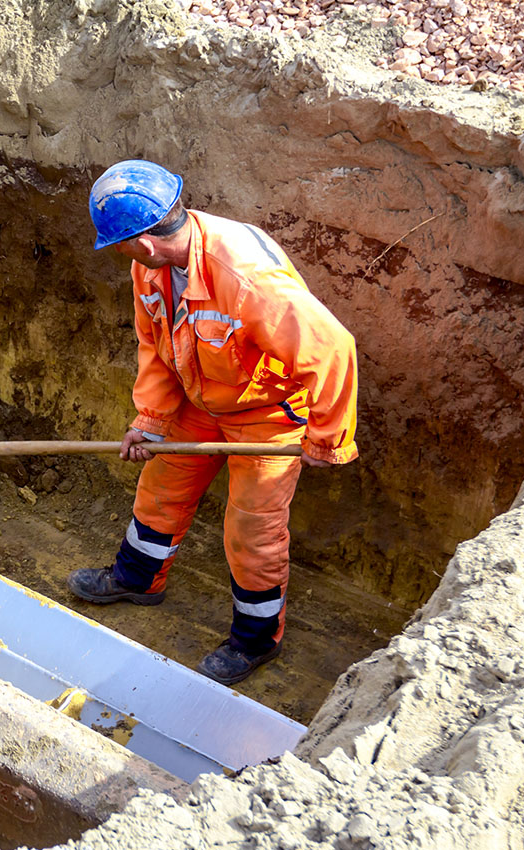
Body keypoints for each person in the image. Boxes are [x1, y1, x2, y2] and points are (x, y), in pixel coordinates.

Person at [67, 160, 359, 686]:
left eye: (119, 245)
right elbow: (155, 344)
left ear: (144, 241)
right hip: (199, 399)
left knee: (252, 531)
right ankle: (138, 578)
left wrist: (328, 439)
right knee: (161, 488)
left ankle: (255, 639)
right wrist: (152, 419)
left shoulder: (247, 280)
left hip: (266, 413)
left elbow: (333, 348)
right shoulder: (149, 269)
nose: (119, 254)